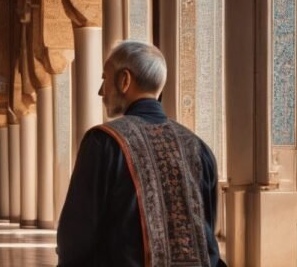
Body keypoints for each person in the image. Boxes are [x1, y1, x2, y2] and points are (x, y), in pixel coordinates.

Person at [57, 41, 225, 267]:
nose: (101, 91)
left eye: (104, 79)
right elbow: (206, 237)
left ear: (124, 80)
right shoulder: (199, 148)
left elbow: (76, 236)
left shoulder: (103, 142)